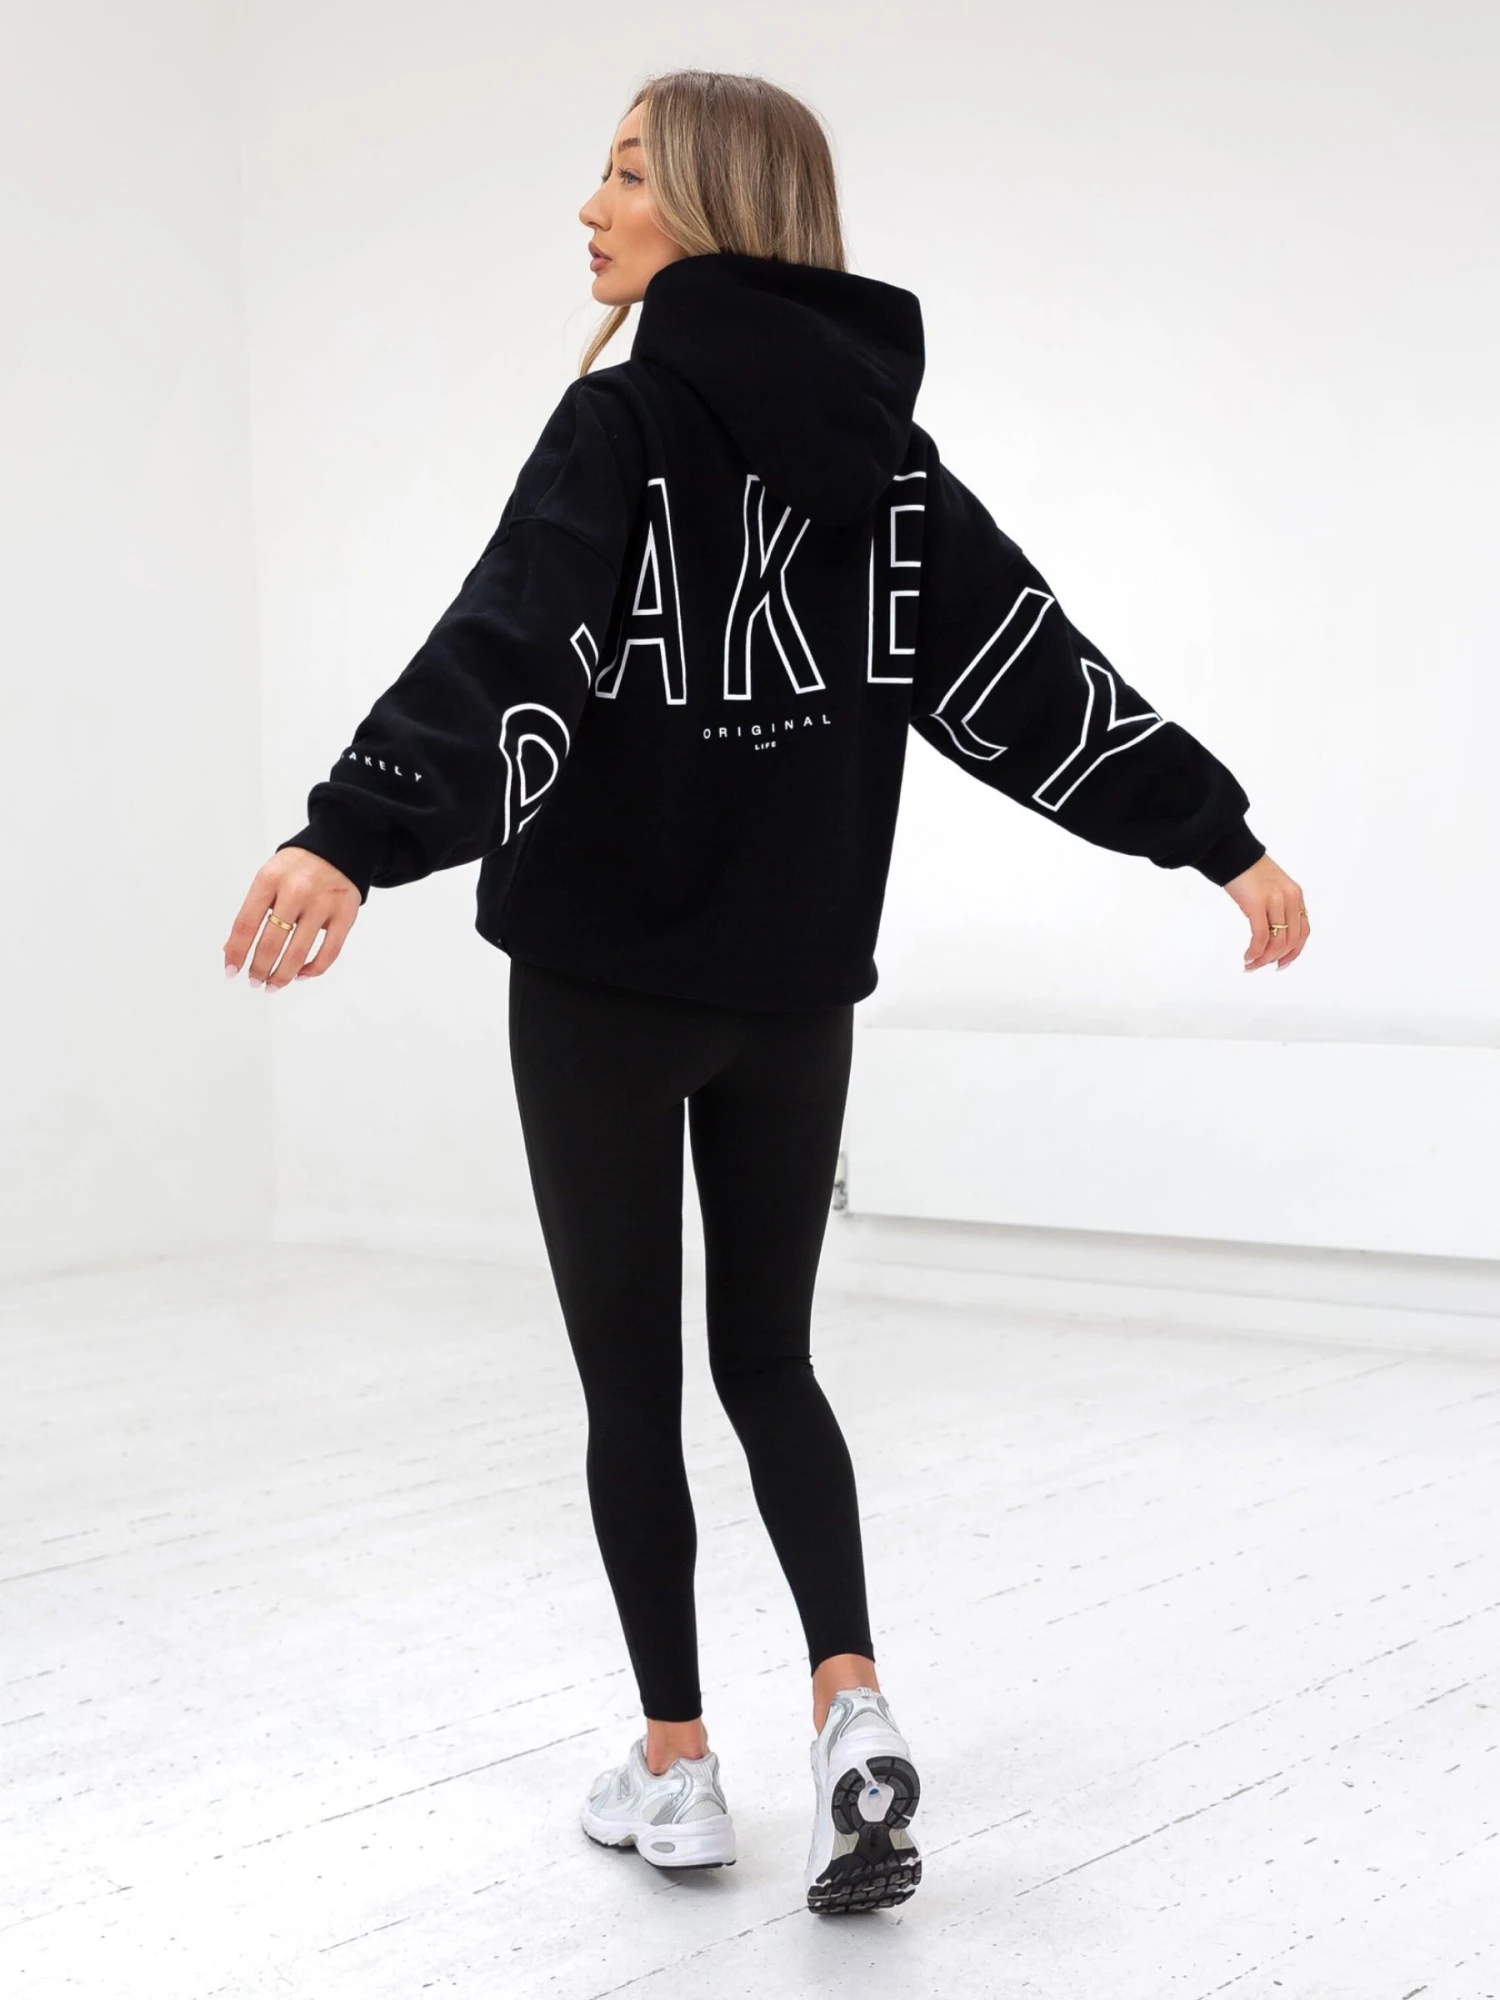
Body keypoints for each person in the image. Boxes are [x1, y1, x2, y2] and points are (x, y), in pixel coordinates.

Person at [222, 68, 1310, 1916]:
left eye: (627, 173)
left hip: (600, 984)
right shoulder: (886, 459)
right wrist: (1218, 839)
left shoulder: (626, 424)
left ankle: (677, 1772)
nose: (591, 206)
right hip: (796, 993)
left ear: (715, 205)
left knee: (632, 1386)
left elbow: (510, 649)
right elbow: (1026, 673)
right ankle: (851, 1705)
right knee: (773, 1362)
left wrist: (350, 834)